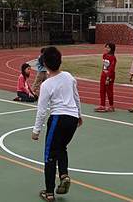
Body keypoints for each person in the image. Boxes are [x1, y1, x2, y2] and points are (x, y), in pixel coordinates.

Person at [31, 46, 82, 201]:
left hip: (58, 119)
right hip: (72, 118)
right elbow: (76, 96)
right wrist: (79, 114)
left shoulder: (46, 85)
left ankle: (49, 192)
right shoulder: (68, 76)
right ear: (60, 62)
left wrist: (36, 130)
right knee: (61, 148)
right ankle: (64, 175)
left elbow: (42, 110)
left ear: (45, 64)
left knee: (49, 156)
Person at [95, 43, 117, 112]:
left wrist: (108, 78)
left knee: (109, 91)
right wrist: (103, 74)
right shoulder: (104, 55)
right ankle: (102, 105)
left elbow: (111, 68)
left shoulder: (113, 58)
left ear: (112, 49)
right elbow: (104, 66)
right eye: (106, 47)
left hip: (109, 76)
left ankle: (111, 106)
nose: (107, 49)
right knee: (102, 90)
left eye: (108, 48)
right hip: (103, 75)